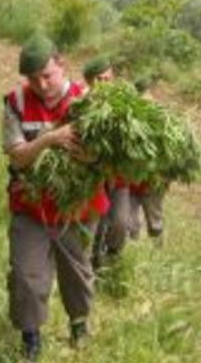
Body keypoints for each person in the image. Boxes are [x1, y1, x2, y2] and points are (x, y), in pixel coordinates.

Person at [2, 34, 109, 360]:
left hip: (78, 207)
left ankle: (79, 326)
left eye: (47, 75)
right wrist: (50, 139)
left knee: (77, 273)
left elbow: (107, 159)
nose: (42, 85)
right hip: (30, 206)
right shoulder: (16, 103)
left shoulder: (89, 101)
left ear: (62, 65)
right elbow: (17, 157)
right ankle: (31, 341)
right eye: (33, 79)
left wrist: (88, 155)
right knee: (26, 275)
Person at [82, 56, 133, 268]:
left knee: (120, 222)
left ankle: (113, 258)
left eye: (107, 78)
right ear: (89, 81)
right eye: (98, 79)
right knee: (94, 224)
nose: (104, 83)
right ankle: (93, 264)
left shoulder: (124, 102)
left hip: (118, 178)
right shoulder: (81, 104)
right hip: (91, 178)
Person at [128, 77, 166, 240]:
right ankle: (133, 246)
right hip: (130, 181)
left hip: (152, 181)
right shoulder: (128, 119)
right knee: (131, 223)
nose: (147, 101)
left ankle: (157, 246)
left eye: (149, 96)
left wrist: (164, 177)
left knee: (155, 219)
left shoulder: (162, 119)